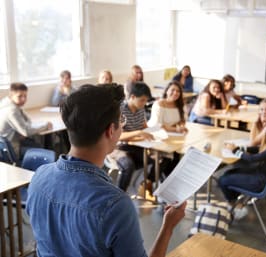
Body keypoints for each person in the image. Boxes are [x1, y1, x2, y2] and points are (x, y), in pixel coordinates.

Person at [26, 84, 186, 257]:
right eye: (121, 122)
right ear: (111, 130)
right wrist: (168, 226)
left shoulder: (38, 177)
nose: (122, 126)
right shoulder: (115, 205)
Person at [219, 115, 266, 219]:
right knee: (228, 173)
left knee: (223, 180)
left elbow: (254, 159)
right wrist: (239, 148)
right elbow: (258, 150)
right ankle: (237, 205)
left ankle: (233, 206)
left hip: (260, 181)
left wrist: (235, 151)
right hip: (261, 175)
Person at [108, 81, 154, 192]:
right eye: (142, 100)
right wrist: (138, 133)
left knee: (152, 161)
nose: (144, 103)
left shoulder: (140, 109)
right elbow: (117, 136)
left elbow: (144, 127)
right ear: (132, 97)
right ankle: (119, 195)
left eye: (146, 100)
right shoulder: (120, 110)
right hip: (117, 147)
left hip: (135, 147)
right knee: (128, 165)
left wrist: (152, 133)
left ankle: (139, 187)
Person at [0, 82, 52, 157]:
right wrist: (46, 126)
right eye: (20, 96)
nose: (23, 99)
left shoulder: (6, 103)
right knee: (43, 150)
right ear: (11, 95)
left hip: (6, 145)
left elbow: (27, 121)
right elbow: (26, 132)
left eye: (25, 96)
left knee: (36, 143)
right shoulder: (12, 110)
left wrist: (23, 130)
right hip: (11, 149)